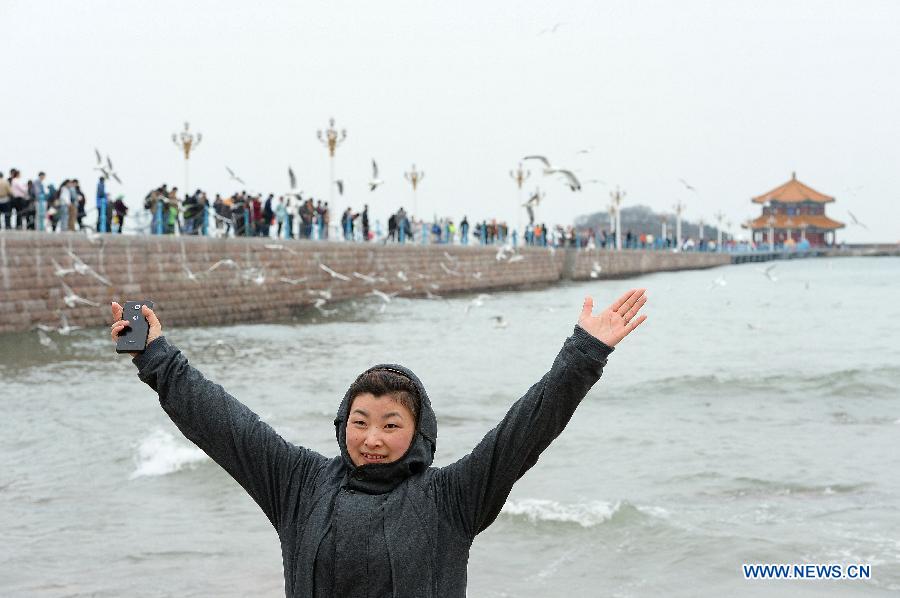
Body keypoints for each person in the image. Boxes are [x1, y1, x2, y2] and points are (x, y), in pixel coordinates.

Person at [109, 289, 648, 597]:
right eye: (360, 421)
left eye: (391, 425)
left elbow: (527, 428)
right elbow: (223, 424)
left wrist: (585, 353)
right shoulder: (299, 485)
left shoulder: (453, 498)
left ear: (419, 434)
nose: (372, 439)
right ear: (343, 422)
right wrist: (155, 356)